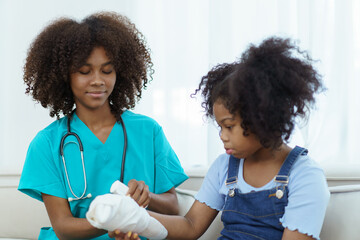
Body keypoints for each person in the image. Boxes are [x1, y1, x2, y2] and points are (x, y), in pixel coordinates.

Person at [111, 37, 330, 240]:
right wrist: (137, 221)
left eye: (229, 126)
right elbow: (190, 226)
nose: (222, 136)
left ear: (263, 117)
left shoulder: (305, 175)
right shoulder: (225, 167)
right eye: (220, 127)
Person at [18, 12, 188, 240]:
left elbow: (172, 206)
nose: (98, 80)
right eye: (84, 71)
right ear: (64, 76)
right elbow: (63, 227)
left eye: (107, 70)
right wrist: (113, 219)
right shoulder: (47, 143)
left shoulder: (148, 131)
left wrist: (145, 198)